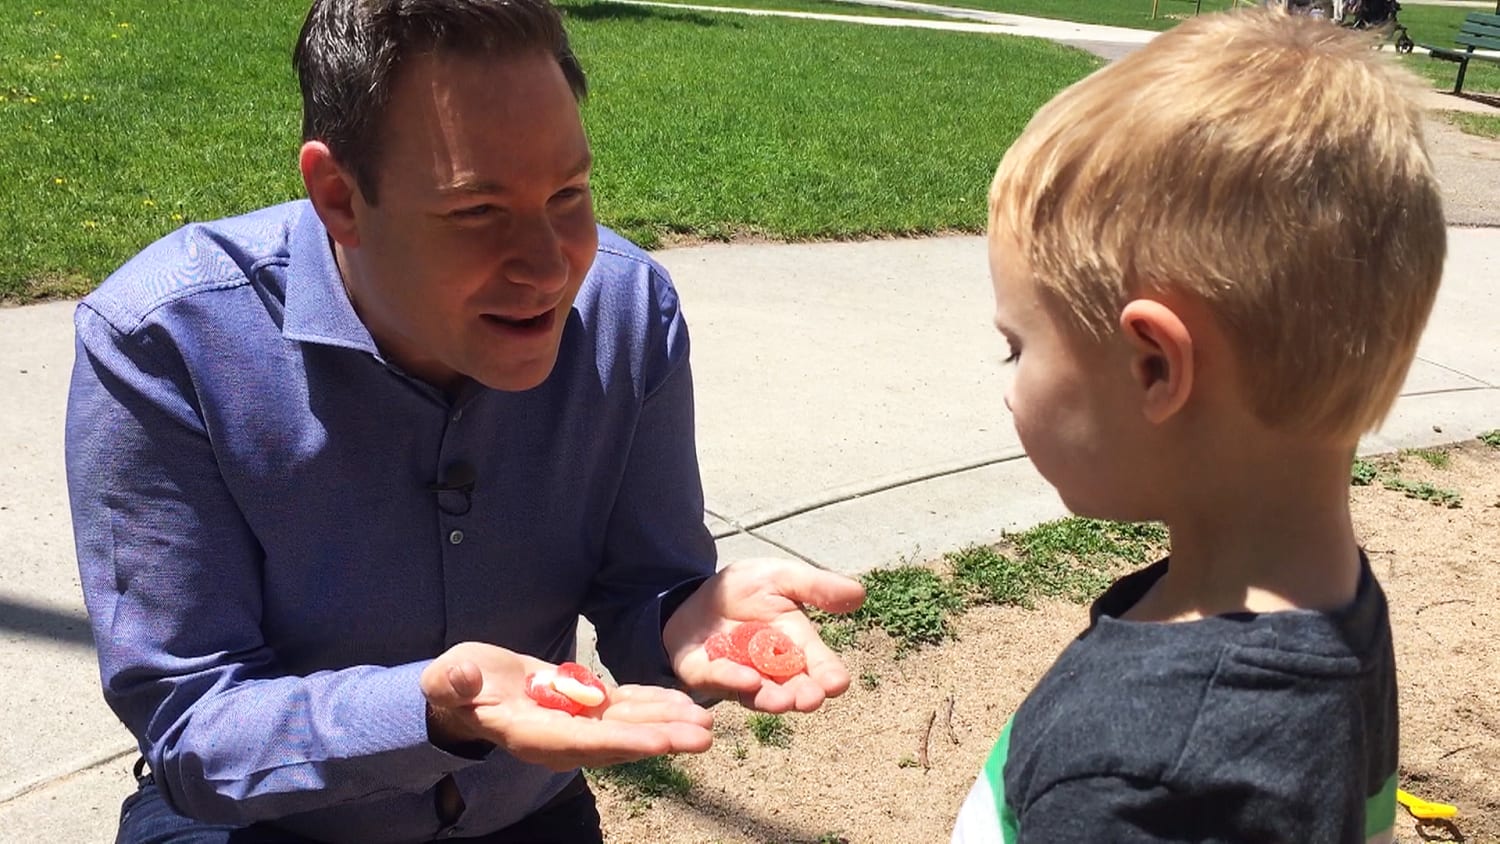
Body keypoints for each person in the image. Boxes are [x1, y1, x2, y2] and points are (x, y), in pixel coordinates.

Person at [63, 1, 864, 841]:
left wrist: (685, 613)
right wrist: (429, 713)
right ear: (339, 195)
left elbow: (642, 589)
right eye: (478, 211)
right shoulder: (165, 341)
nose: (551, 268)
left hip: (525, 810)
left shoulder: (631, 310)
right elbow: (192, 723)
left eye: (569, 194)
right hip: (264, 820)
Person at [951, 9, 1444, 843]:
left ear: (1155, 366)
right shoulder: (1333, 607)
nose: (1009, 389)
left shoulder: (1141, 777)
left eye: (1016, 348)